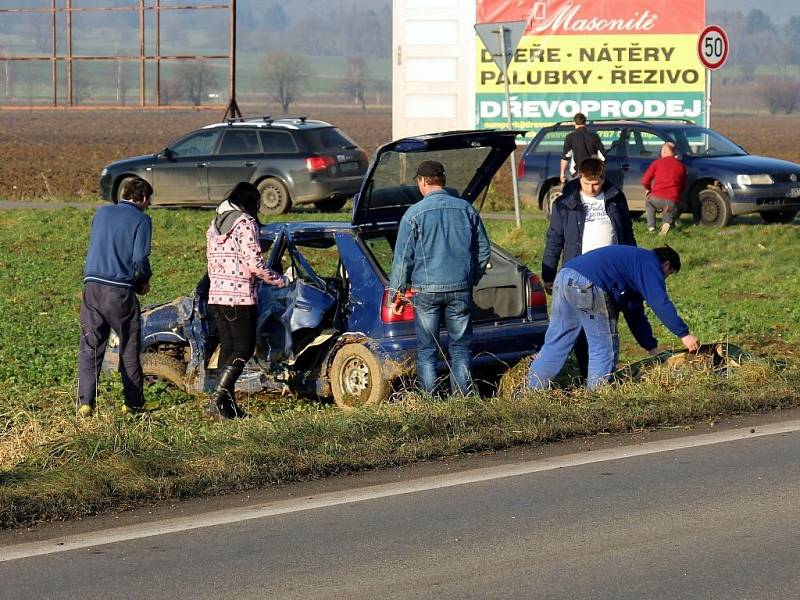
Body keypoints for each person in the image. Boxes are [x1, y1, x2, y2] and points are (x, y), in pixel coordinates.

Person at [528, 245, 700, 390]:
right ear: (666, 264)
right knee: (603, 347)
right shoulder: (650, 263)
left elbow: (635, 314)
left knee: (557, 341)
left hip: (565, 276)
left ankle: (529, 393)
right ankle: (597, 400)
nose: (663, 279)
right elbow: (659, 301)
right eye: (667, 274)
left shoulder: (631, 264)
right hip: (589, 284)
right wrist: (684, 334)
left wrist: (651, 347)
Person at [388, 160, 491, 396]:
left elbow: (403, 258)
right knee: (461, 348)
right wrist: (471, 277)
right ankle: (464, 399)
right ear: (443, 181)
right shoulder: (466, 209)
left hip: (426, 291)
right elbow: (484, 250)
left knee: (427, 350)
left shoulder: (413, 214)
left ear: (422, 182)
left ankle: (429, 401)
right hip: (460, 289)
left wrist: (397, 293)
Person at [542, 157, 636, 380]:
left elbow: (627, 233)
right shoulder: (565, 204)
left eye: (597, 183)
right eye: (587, 183)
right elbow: (554, 240)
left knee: (608, 328)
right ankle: (586, 375)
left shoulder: (615, 198)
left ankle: (604, 378)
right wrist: (548, 275)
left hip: (611, 276)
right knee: (579, 332)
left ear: (603, 177)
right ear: (579, 177)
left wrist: (631, 267)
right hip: (579, 276)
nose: (592, 188)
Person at [205, 182, 286, 419]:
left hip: (217, 295)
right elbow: (254, 264)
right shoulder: (245, 223)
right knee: (244, 348)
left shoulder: (214, 225)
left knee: (229, 349)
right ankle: (217, 399)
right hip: (240, 297)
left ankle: (225, 407)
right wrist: (278, 280)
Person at [77, 177, 153, 417]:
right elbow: (140, 259)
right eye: (149, 200)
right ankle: (133, 403)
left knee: (90, 346)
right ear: (142, 198)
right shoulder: (142, 219)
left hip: (91, 286)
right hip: (119, 290)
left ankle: (85, 404)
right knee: (129, 345)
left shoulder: (102, 213)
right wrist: (143, 281)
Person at [641, 142, 687, 235]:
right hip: (672, 200)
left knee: (649, 202)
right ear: (674, 152)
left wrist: (649, 189)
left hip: (656, 198)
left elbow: (644, 181)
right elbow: (683, 186)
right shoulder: (681, 166)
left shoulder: (657, 163)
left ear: (664, 151)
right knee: (669, 213)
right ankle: (668, 223)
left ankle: (651, 228)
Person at [560, 112, 605, 183]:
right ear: (585, 122)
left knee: (576, 192)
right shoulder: (594, 136)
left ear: (574, 123)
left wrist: (562, 173)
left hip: (577, 173)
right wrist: (600, 172)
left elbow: (566, 157)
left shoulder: (570, 137)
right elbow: (602, 157)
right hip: (593, 173)